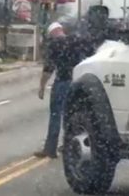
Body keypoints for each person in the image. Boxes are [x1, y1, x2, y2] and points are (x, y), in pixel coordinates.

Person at [34, 22, 88, 158]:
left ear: (51, 33)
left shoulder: (54, 45)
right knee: (72, 115)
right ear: (61, 30)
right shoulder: (75, 41)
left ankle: (50, 148)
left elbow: (48, 68)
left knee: (56, 115)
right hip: (77, 82)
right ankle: (69, 145)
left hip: (62, 82)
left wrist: (42, 87)